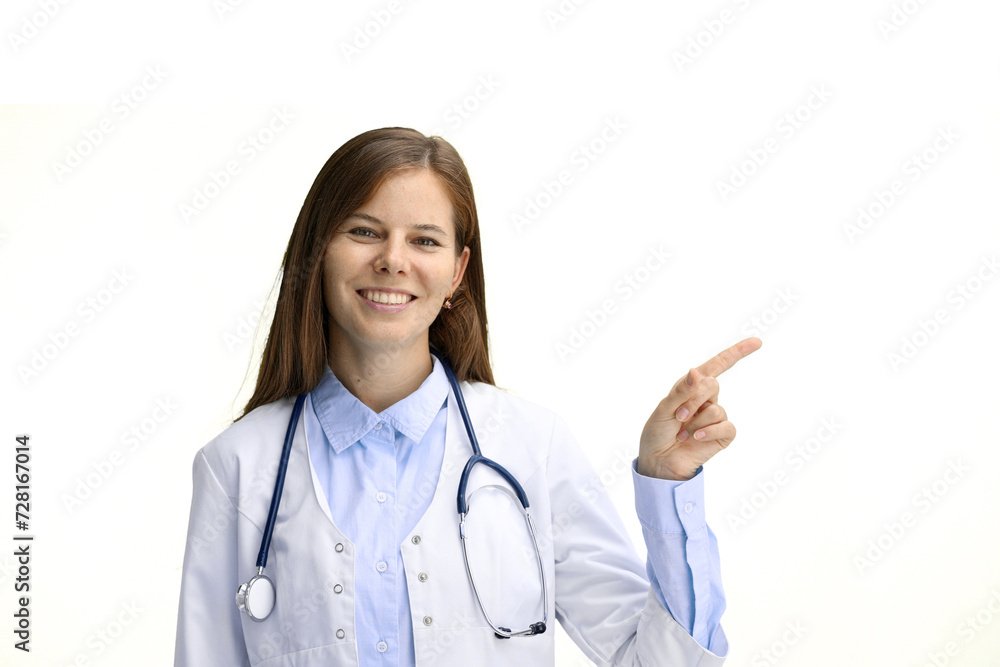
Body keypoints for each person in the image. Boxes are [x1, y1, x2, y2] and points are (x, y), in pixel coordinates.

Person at [173, 127, 760, 666]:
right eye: (364, 231)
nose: (392, 260)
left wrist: (666, 483)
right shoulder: (238, 467)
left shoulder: (532, 447)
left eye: (424, 240)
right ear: (317, 252)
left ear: (457, 273)